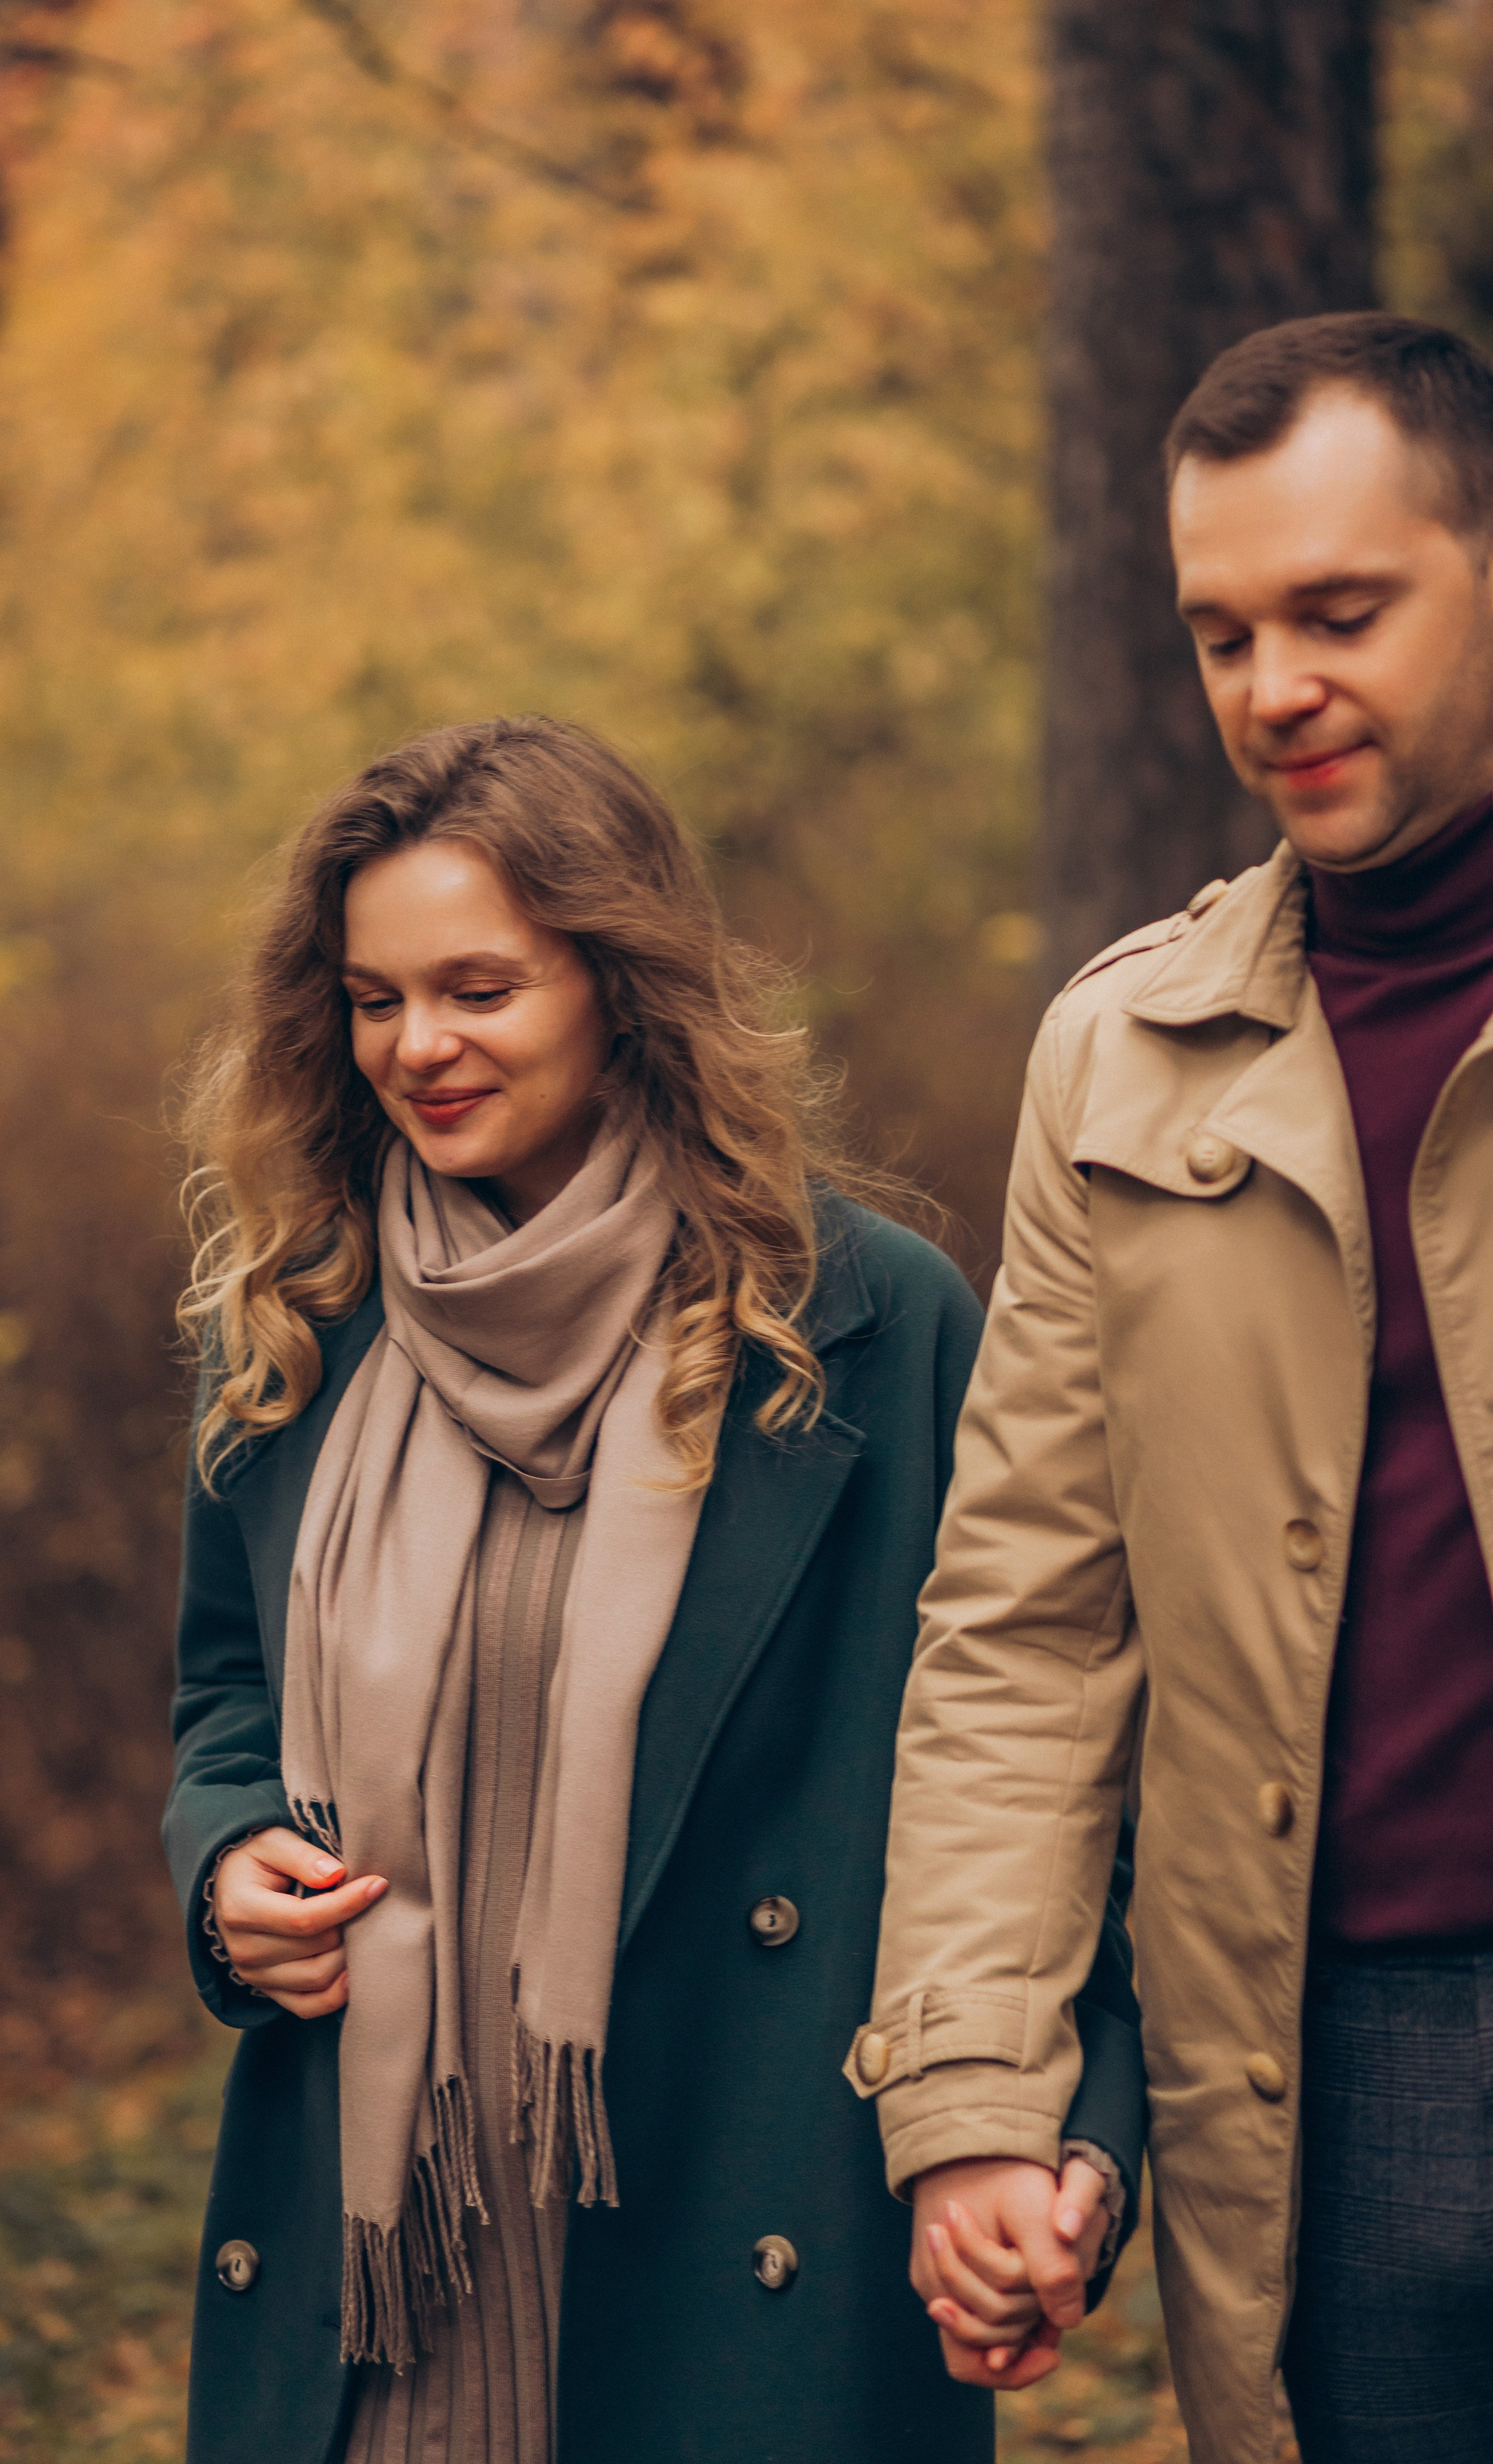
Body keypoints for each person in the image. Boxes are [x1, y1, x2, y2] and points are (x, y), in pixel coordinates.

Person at [162, 715, 1145, 2464]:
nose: (417, 1045)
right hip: (379, 2281)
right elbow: (226, 1696)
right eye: (375, 997)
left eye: (476, 986)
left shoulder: (853, 1324)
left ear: (617, 980)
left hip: (734, 2229)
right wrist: (230, 1863)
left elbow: (1045, 1745)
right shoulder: (296, 1326)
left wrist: (1070, 2135)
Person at [866, 311, 1493, 2464]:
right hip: (1338, 2074)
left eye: (1341, 612)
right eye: (1223, 632)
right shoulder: (1120, 1059)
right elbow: (1027, 1630)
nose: (1274, 690)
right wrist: (973, 2098)